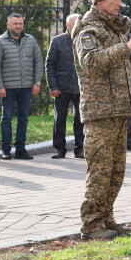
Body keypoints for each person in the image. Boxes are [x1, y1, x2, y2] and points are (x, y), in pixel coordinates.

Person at [74, 0, 131, 241]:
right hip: (100, 112)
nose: (121, 4)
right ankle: (91, 224)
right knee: (99, 170)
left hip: (120, 110)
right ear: (99, 1)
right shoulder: (88, 28)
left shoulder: (116, 28)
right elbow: (91, 63)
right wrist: (127, 46)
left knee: (116, 171)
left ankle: (107, 218)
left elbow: (130, 64)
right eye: (115, 0)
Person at [0, 13, 43, 160]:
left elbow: (38, 61)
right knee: (6, 119)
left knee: (23, 118)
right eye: (15, 24)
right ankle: (6, 150)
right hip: (7, 88)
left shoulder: (30, 40)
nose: (18, 26)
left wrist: (37, 82)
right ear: (8, 25)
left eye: (20, 24)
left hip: (26, 87)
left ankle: (20, 149)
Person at [46, 13, 84, 159]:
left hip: (80, 87)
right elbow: (49, 65)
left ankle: (79, 149)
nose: (77, 24)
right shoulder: (57, 41)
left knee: (80, 118)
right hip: (61, 87)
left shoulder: (85, 39)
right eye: (74, 22)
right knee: (59, 118)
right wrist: (52, 86)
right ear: (67, 25)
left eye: (79, 22)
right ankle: (59, 149)